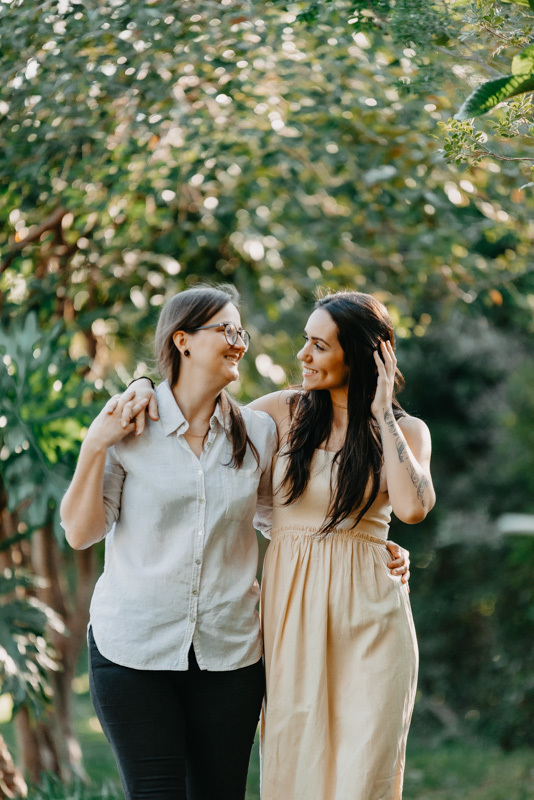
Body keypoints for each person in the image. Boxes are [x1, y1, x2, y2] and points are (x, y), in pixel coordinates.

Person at [121, 289, 431, 800]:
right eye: (305, 342)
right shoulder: (280, 414)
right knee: (296, 760)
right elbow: (194, 413)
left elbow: (413, 507)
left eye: (319, 346)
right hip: (292, 613)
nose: (303, 356)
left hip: (373, 615)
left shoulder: (405, 431)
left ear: (360, 355)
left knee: (367, 769)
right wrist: (140, 385)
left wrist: (381, 413)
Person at [60, 285, 279, 800]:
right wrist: (96, 443)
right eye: (226, 330)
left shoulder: (259, 433)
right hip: (132, 650)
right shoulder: (128, 424)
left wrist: (372, 544)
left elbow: (283, 521)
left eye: (240, 331)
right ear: (182, 340)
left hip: (230, 655)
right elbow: (79, 532)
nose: (239, 342)